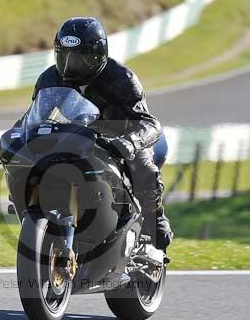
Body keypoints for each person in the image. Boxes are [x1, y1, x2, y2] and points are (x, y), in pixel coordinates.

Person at [31, 16, 173, 250]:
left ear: (98, 54)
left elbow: (149, 123)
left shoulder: (122, 78)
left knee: (143, 168)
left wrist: (129, 142)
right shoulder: (50, 79)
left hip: (128, 139)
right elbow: (36, 116)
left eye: (79, 57)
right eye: (65, 55)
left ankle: (155, 216)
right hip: (81, 138)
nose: (70, 65)